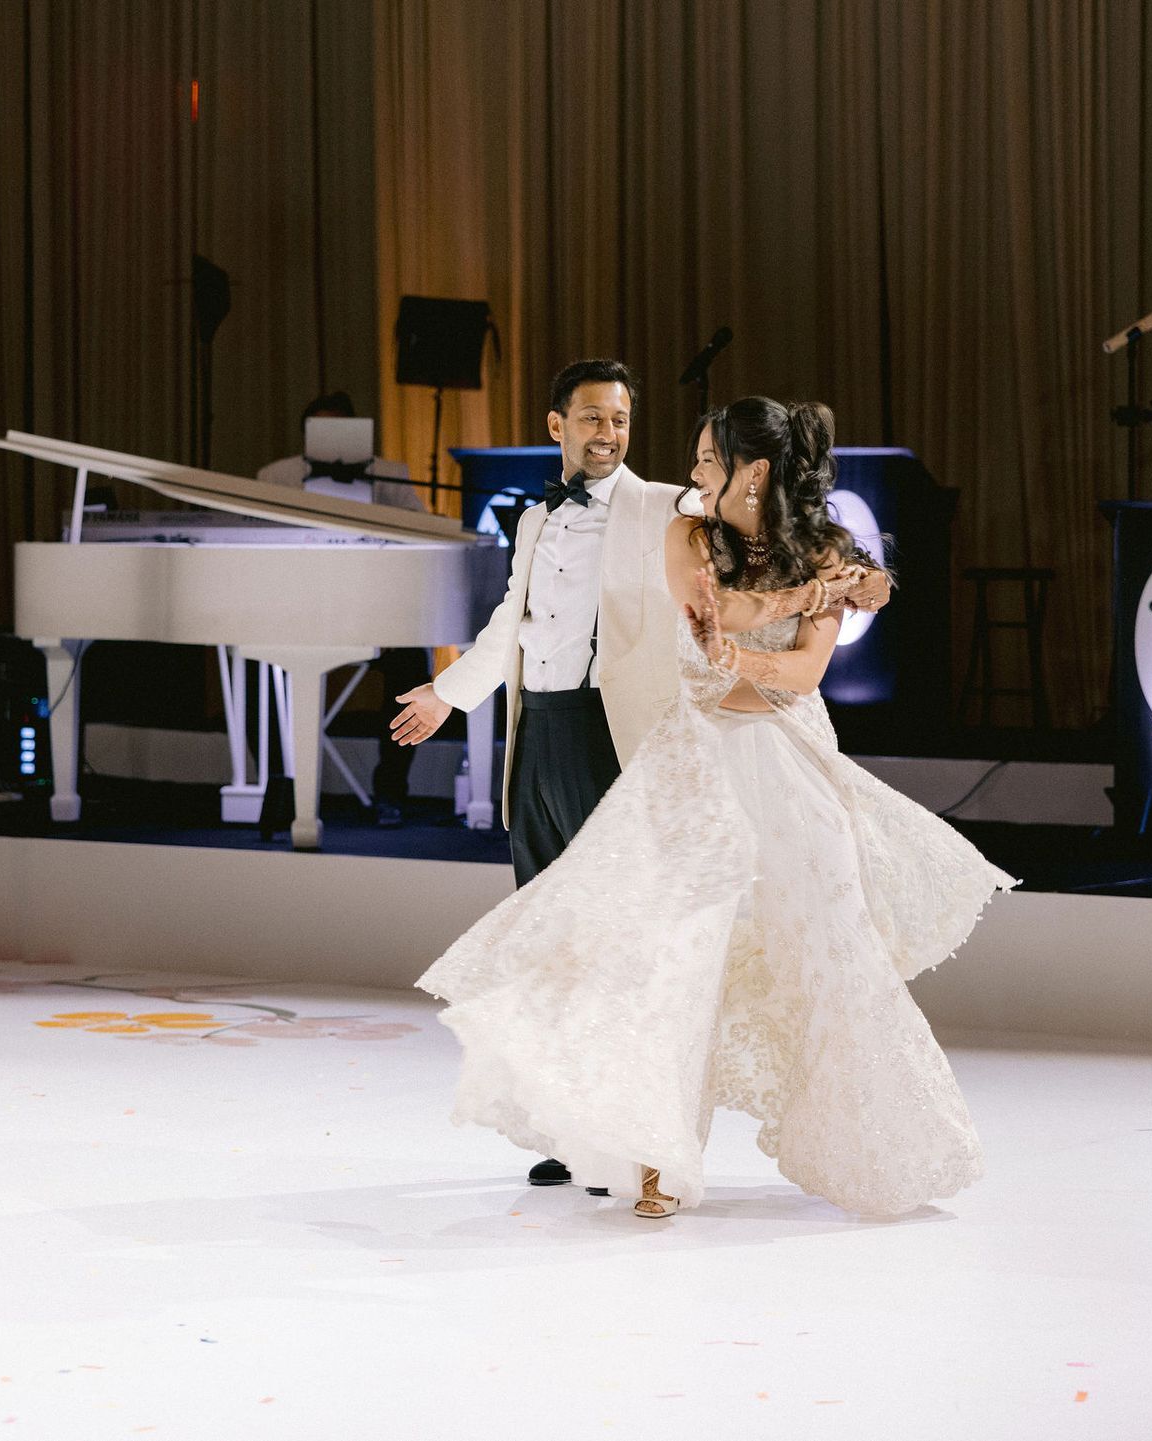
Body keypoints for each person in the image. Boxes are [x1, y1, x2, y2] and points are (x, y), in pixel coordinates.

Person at [416, 397, 1014, 1219]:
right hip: (695, 767)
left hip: (792, 764)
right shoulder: (690, 535)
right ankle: (659, 1162)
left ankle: (876, 1151)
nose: (694, 472)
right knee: (674, 958)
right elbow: (718, 611)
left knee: (833, 951)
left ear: (754, 470)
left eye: (707, 458)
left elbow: (803, 675)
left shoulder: (830, 550)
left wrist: (769, 642)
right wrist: (791, 606)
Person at [258, 391, 428, 827]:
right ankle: (280, 785)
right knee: (254, 665)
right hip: (297, 612)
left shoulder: (388, 475)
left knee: (411, 669)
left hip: (375, 613)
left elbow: (422, 535)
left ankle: (391, 790)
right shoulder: (276, 476)